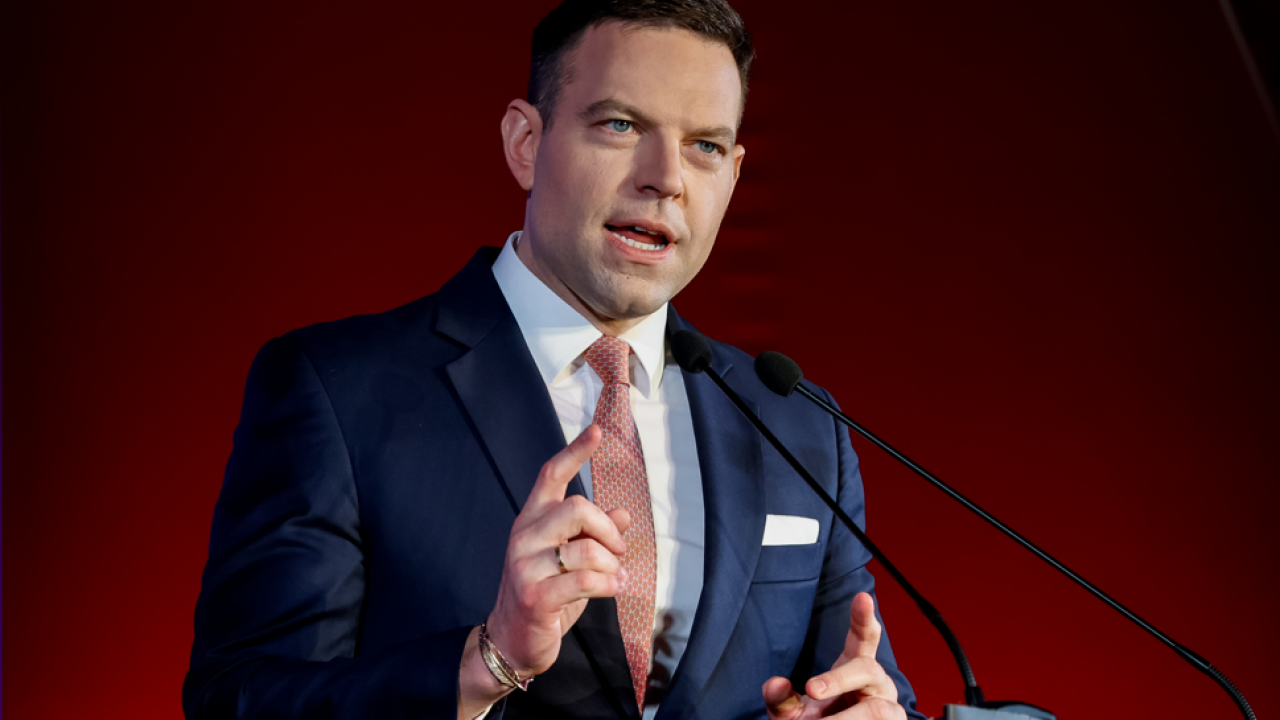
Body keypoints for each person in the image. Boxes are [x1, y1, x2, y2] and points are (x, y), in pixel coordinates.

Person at [184, 1, 925, 719]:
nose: (665, 177)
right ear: (525, 143)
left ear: (732, 178)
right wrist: (484, 663)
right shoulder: (338, 391)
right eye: (621, 124)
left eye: (703, 145)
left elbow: (865, 689)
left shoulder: (795, 424)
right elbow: (236, 698)